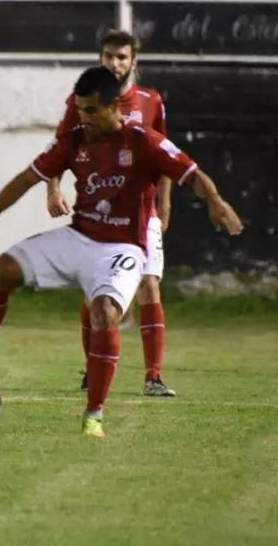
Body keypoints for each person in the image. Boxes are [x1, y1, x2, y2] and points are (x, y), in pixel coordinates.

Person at [0, 67, 243, 438]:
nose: (82, 117)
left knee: (103, 314)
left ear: (114, 106)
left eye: (90, 110)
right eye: (79, 109)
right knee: (0, 270)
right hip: (78, 237)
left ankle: (93, 415)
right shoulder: (74, 140)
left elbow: (192, 172)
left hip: (122, 249)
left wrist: (215, 200)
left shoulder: (143, 141)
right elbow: (25, 179)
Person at [47, 29, 176, 396]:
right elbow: (57, 150)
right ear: (100, 58)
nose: (114, 63)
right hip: (97, 213)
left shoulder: (151, 101)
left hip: (141, 209)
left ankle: (153, 376)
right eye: (108, 56)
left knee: (150, 284)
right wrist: (53, 188)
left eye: (122, 57)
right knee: (95, 294)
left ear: (134, 61)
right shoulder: (81, 101)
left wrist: (164, 203)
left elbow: (165, 156)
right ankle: (93, 368)